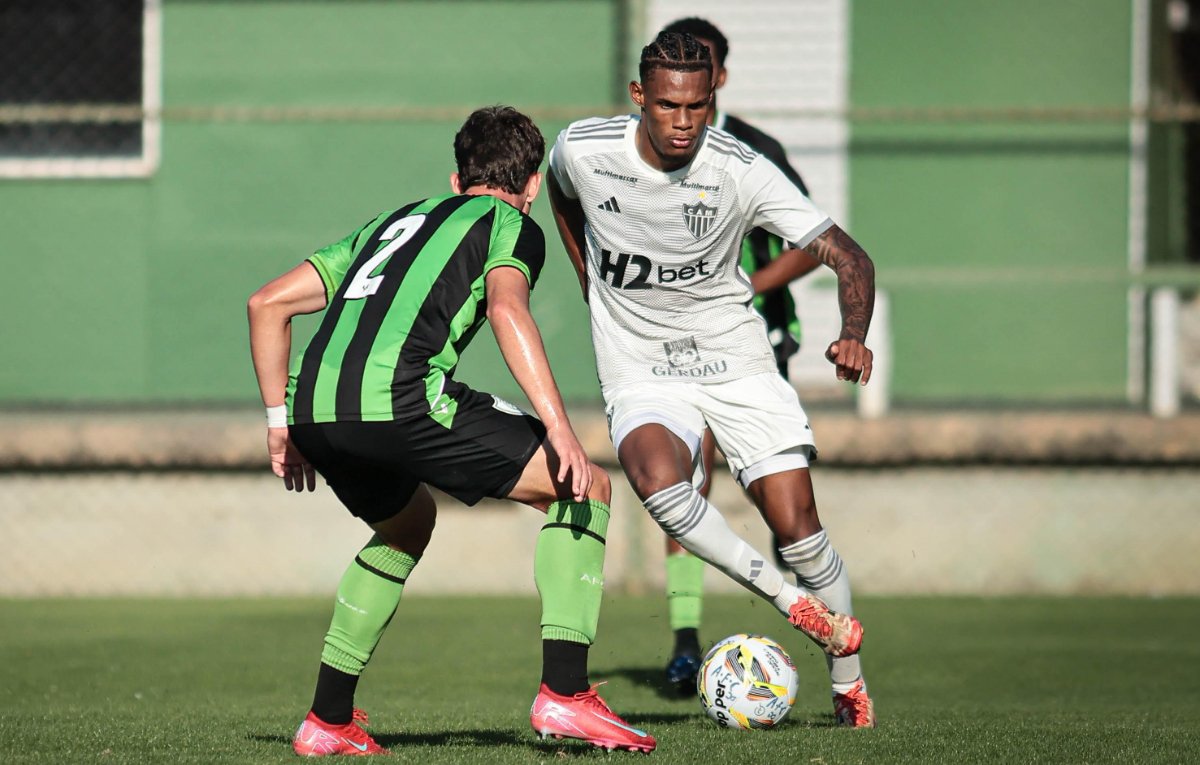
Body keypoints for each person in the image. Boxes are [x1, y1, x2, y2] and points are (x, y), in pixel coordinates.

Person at [247, 106, 656, 755]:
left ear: (456, 176)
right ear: (528, 186)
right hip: (403, 399)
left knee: (406, 524)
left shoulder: (391, 222)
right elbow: (505, 306)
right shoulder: (511, 225)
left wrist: (279, 422)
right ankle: (566, 695)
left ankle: (327, 718)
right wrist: (561, 430)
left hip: (316, 412)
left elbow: (266, 302)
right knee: (586, 487)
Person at [546, 33, 877, 728]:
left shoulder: (741, 168)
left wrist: (852, 331)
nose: (683, 121)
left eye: (698, 106)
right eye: (668, 104)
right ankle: (794, 606)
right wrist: (588, 277)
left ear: (712, 100)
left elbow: (848, 254)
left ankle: (849, 683)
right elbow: (560, 191)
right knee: (656, 476)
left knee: (800, 531)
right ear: (640, 96)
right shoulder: (583, 148)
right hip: (641, 364)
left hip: (735, 361)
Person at [654, 16, 823, 694]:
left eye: (700, 65)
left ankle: (813, 610)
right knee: (686, 480)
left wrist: (745, 285)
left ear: (719, 75)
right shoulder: (641, 155)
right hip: (676, 349)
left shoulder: (757, 151)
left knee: (779, 506)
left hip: (754, 342)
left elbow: (814, 242)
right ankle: (686, 643)